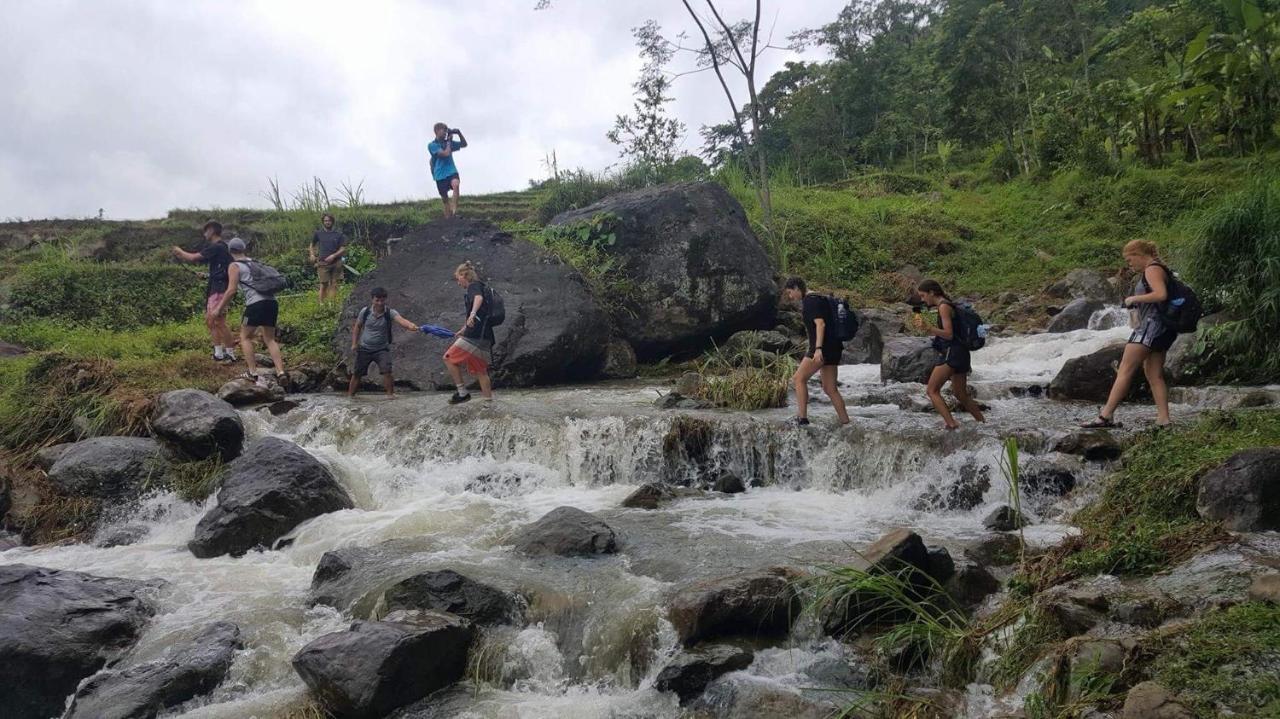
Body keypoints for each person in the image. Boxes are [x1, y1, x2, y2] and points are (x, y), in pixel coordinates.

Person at [1082, 240, 1173, 428]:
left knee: (1125, 370)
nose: (1129, 264)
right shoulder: (1159, 268)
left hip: (1150, 329)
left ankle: (1105, 416)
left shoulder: (1152, 269)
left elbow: (1161, 294)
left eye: (1130, 260)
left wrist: (1134, 298)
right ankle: (1163, 419)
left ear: (1140, 254)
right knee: (1154, 374)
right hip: (1161, 329)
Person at [913, 279, 985, 430]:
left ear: (932, 293)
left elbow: (948, 334)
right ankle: (982, 423)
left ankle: (951, 424)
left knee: (932, 391)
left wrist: (929, 328)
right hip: (962, 354)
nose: (922, 299)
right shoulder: (948, 304)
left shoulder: (943, 306)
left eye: (923, 295)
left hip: (952, 353)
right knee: (961, 394)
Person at [212, 237, 286, 382]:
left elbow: (231, 290)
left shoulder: (234, 266)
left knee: (244, 337)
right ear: (243, 249)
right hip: (272, 303)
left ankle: (252, 372)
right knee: (270, 339)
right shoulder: (255, 263)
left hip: (254, 305)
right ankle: (281, 372)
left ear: (230, 251)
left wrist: (218, 308)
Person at [783, 277, 850, 426]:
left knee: (798, 379)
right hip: (834, 348)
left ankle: (802, 419)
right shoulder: (821, 298)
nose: (790, 297)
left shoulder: (810, 301)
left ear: (796, 288)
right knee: (830, 388)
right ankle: (846, 422)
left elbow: (820, 324)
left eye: (790, 292)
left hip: (821, 349)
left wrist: (818, 349)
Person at [171, 220, 236, 363]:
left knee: (218, 321)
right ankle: (219, 353)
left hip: (219, 289)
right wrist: (207, 276)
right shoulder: (222, 248)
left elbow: (193, 257)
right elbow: (222, 270)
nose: (204, 233)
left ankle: (229, 354)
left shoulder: (217, 247)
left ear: (212, 230)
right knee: (211, 321)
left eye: (206, 230)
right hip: (216, 287)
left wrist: (180, 252)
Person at [348, 287, 421, 398]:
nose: (380, 303)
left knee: (387, 371)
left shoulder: (390, 313)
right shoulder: (365, 312)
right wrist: (354, 343)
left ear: (385, 300)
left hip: (381, 349)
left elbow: (402, 320)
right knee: (357, 373)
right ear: (372, 299)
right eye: (377, 300)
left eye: (382, 300)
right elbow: (357, 327)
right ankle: (350, 395)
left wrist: (411, 326)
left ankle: (390, 395)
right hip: (365, 348)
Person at [442, 261, 495, 404]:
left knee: (448, 358)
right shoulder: (482, 287)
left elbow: (478, 299)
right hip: (485, 336)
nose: (458, 283)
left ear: (464, 275)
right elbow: (481, 315)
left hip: (475, 336)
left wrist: (472, 314)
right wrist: (462, 330)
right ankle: (488, 403)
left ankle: (462, 392)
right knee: (481, 371)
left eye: (458, 278)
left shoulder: (474, 286)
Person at [428, 123, 468, 218]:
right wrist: (449, 142)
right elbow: (445, 153)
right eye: (443, 130)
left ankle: (454, 212)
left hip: (451, 171)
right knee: (445, 200)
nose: (446, 132)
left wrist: (459, 133)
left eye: (447, 130)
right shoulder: (432, 145)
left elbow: (464, 144)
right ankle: (448, 219)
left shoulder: (448, 142)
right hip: (440, 174)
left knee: (456, 185)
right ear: (437, 131)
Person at [310, 213, 347, 303]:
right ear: (323, 222)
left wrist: (333, 255)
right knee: (324, 284)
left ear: (332, 222)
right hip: (323, 263)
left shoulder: (339, 234)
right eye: (325, 221)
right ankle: (321, 305)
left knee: (334, 284)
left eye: (329, 221)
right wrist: (312, 254)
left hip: (336, 262)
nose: (327, 222)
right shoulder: (318, 233)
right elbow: (312, 244)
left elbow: (343, 248)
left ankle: (331, 304)